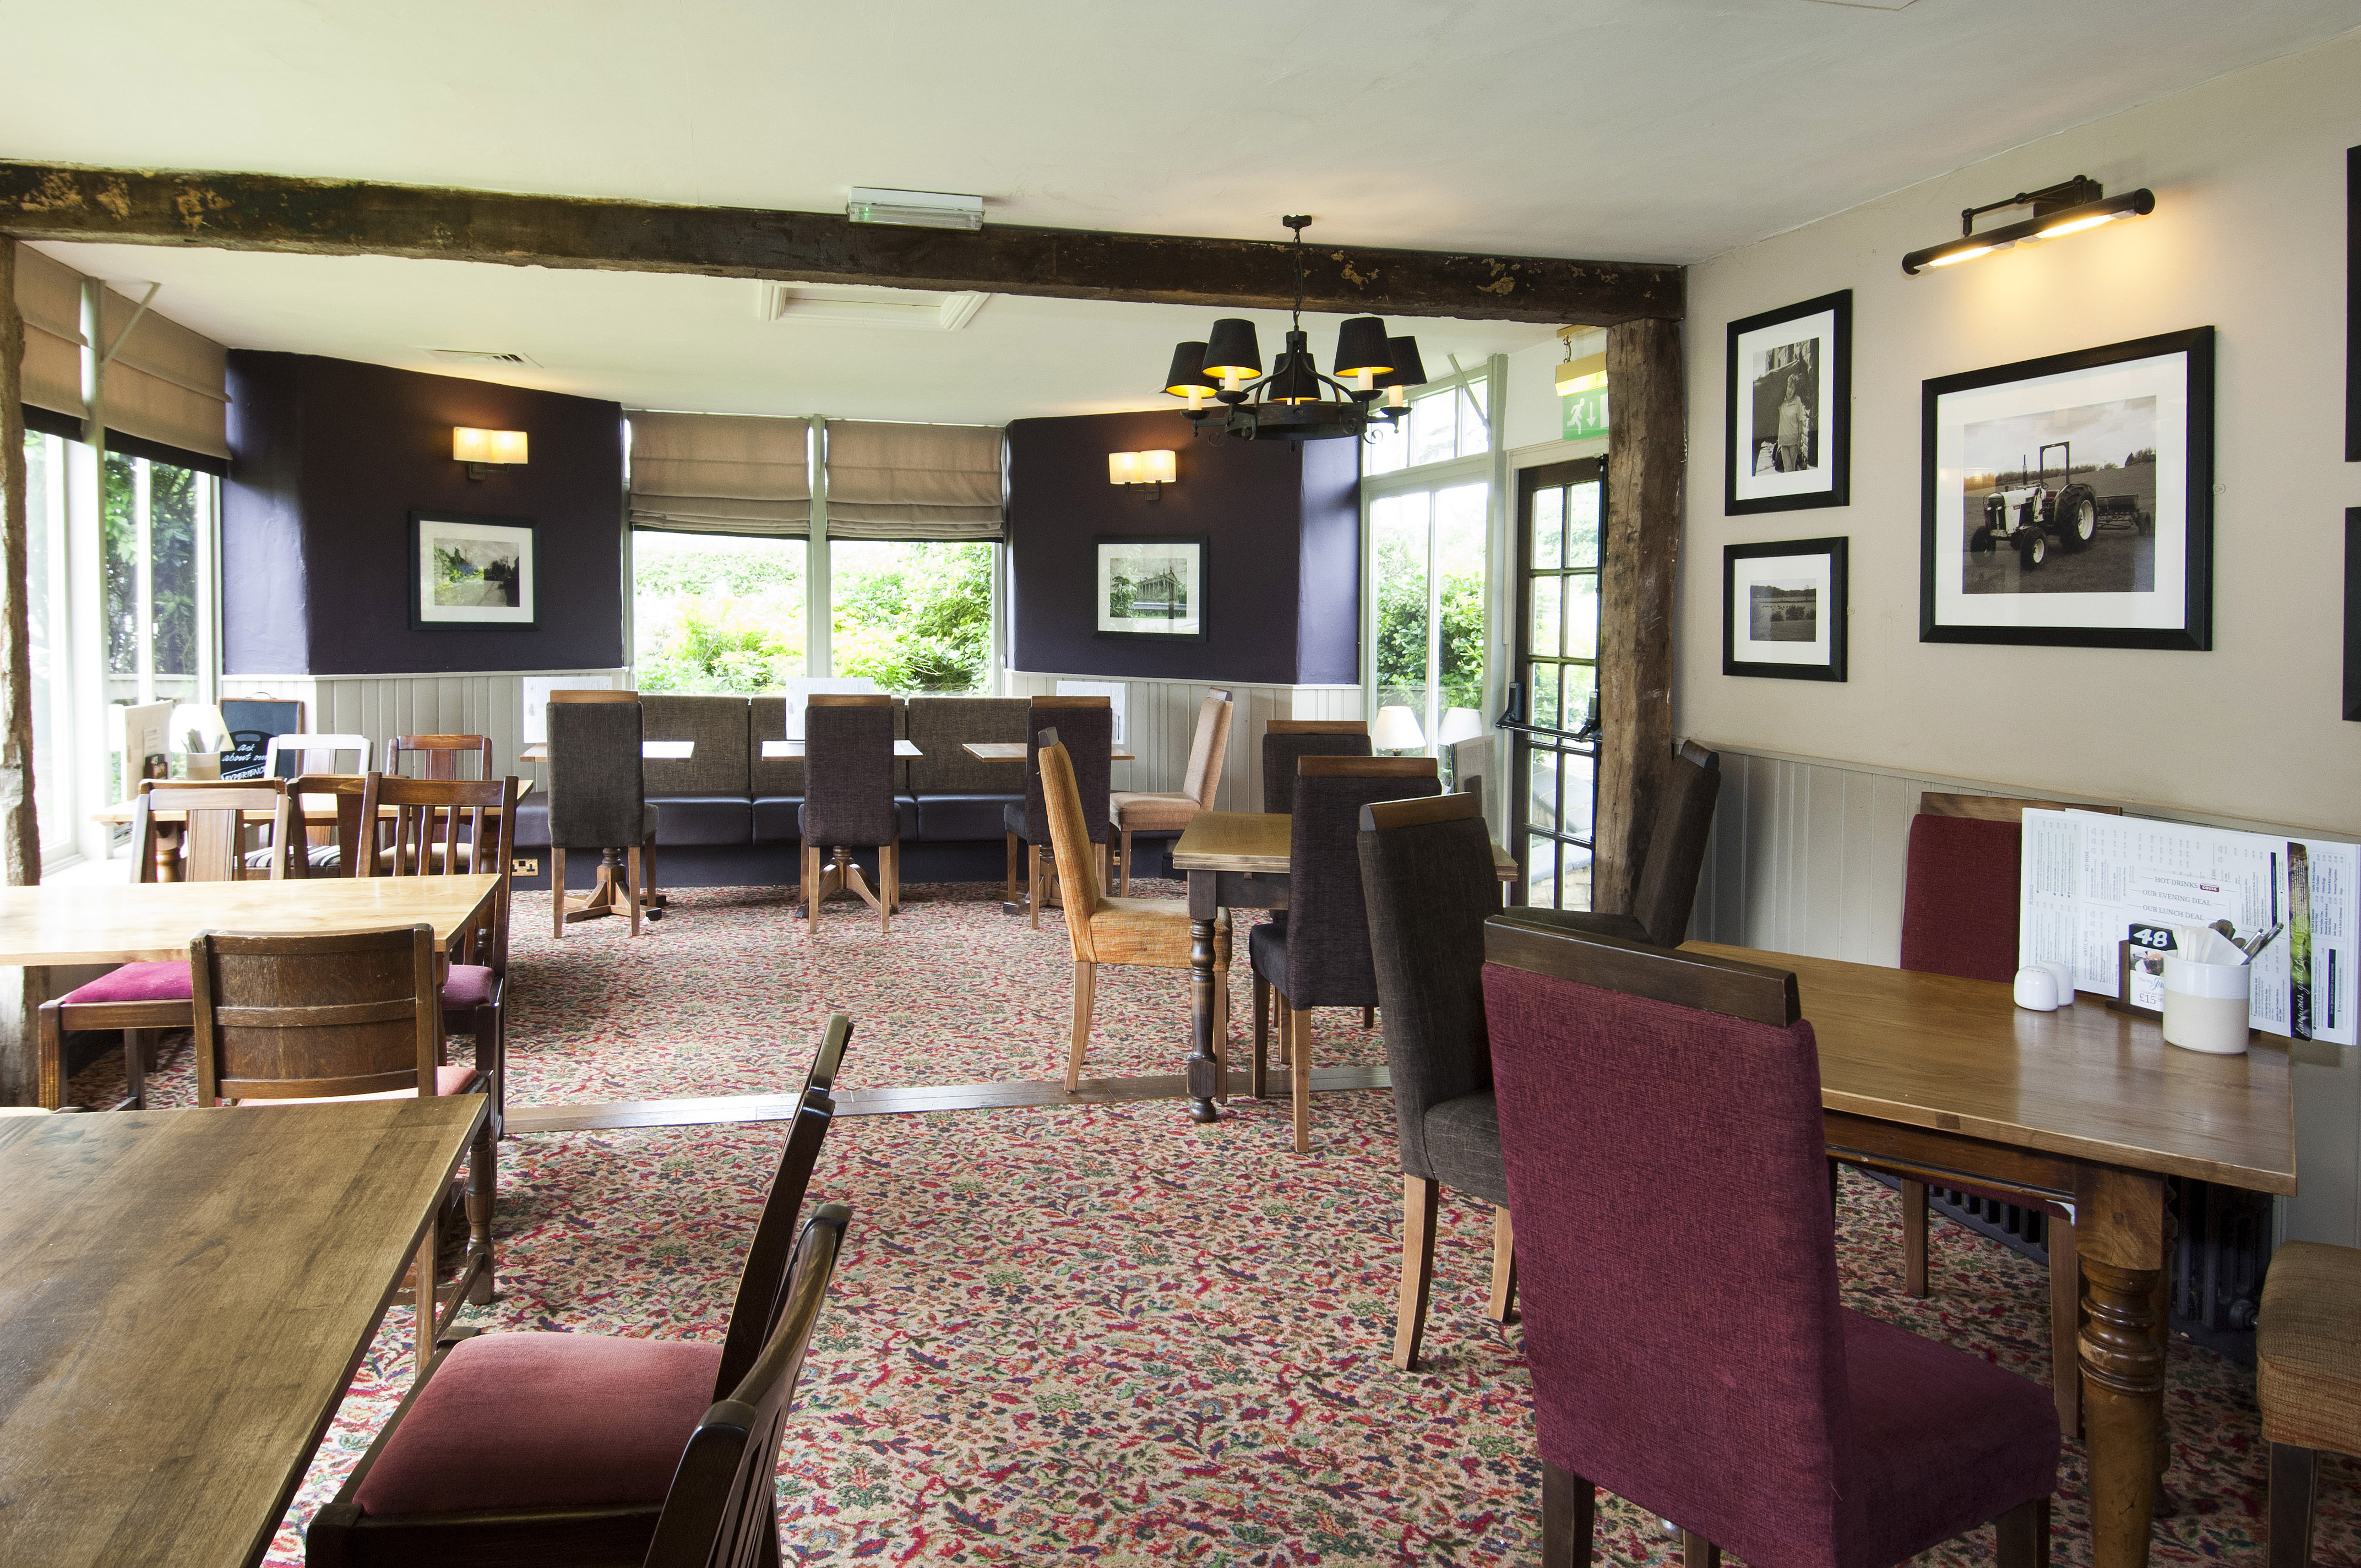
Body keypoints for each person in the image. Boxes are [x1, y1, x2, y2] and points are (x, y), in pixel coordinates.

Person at [1776, 373, 1811, 472]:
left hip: (1794, 441)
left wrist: (1799, 440)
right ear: (1786, 387)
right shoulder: (1781, 401)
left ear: (1795, 390)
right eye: (1789, 387)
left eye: (1793, 388)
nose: (1790, 390)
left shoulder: (1798, 401)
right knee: (1787, 469)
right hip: (1783, 441)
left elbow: (1800, 422)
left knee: (1792, 469)